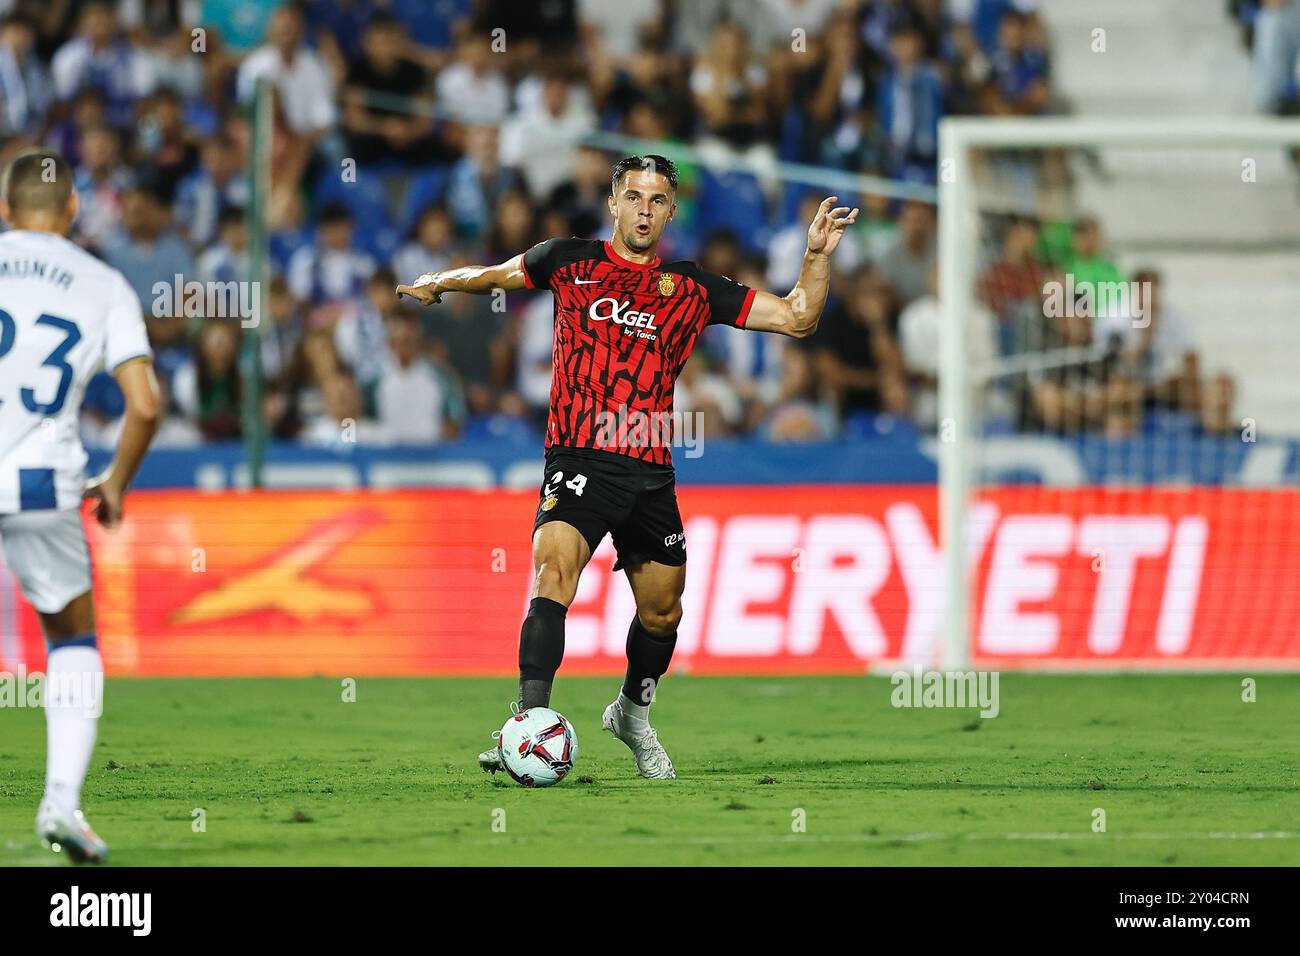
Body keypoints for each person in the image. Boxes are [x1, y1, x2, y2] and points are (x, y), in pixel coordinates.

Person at [397, 155, 857, 779]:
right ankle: (529, 723)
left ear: (671, 211)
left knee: (662, 613)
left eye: (658, 200)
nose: (644, 210)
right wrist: (442, 280)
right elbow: (498, 275)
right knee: (553, 571)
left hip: (649, 470)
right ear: (613, 203)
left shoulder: (692, 288)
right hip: (578, 455)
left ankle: (633, 714)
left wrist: (817, 255)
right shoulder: (569, 260)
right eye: (634, 197)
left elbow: (799, 316)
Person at [0, 148, 161, 862]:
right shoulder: (103, 285)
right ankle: (61, 803)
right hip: (41, 485)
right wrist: (117, 482)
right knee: (71, 643)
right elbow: (147, 405)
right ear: (70, 211)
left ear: (6, 211)